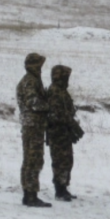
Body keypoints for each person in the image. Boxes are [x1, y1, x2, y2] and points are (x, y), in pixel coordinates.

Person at [15, 53, 51, 207]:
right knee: (34, 159)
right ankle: (31, 195)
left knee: (30, 159)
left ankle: (29, 193)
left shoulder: (31, 80)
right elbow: (33, 103)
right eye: (39, 65)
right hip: (33, 126)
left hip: (32, 125)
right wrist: (49, 105)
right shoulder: (30, 81)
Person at [46, 65, 84, 202]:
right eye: (65, 76)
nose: (67, 79)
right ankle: (60, 190)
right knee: (60, 161)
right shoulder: (55, 91)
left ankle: (64, 186)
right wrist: (70, 122)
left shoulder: (61, 91)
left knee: (67, 160)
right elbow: (56, 114)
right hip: (58, 132)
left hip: (64, 132)